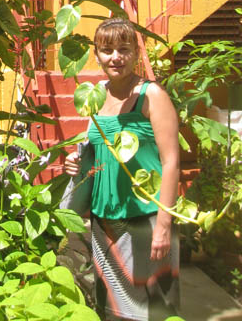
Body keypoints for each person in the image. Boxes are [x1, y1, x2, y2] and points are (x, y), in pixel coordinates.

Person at [65, 17, 180, 321]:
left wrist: (164, 226)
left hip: (147, 219)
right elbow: (95, 151)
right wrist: (74, 163)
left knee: (154, 308)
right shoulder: (95, 96)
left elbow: (171, 161)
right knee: (112, 308)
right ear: (97, 53)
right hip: (105, 221)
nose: (116, 57)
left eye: (124, 49)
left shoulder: (151, 95)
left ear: (136, 53)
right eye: (108, 50)